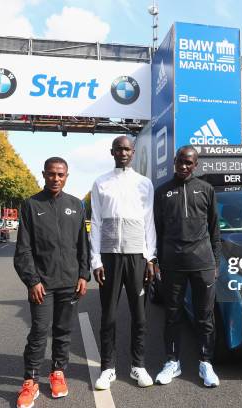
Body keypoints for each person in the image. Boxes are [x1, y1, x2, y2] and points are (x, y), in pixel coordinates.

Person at [14, 157, 89, 408]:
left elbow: (83, 246)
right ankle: (30, 380)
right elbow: (23, 249)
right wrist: (32, 280)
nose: (55, 178)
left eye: (60, 175)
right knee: (38, 332)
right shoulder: (30, 205)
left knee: (63, 332)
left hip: (69, 282)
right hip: (42, 285)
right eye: (51, 174)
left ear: (67, 176)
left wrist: (83, 274)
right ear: (43, 174)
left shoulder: (77, 205)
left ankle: (57, 372)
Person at [90, 135, 157, 389]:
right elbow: (95, 222)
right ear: (112, 152)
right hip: (109, 256)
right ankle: (108, 368)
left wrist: (150, 256)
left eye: (128, 149)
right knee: (108, 316)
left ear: (133, 152)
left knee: (139, 316)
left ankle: (138, 366)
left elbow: (149, 221)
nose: (123, 152)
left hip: (137, 256)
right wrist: (95, 260)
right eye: (119, 149)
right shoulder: (101, 182)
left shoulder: (144, 184)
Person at [153, 145, 221, 388]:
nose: (183, 166)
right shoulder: (162, 192)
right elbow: (157, 231)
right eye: (180, 161)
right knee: (172, 316)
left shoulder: (206, 190)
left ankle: (205, 362)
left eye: (188, 163)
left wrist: (215, 261)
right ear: (174, 161)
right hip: (172, 264)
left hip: (202, 263)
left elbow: (214, 229)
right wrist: (157, 262)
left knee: (205, 316)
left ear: (196, 165)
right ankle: (172, 362)